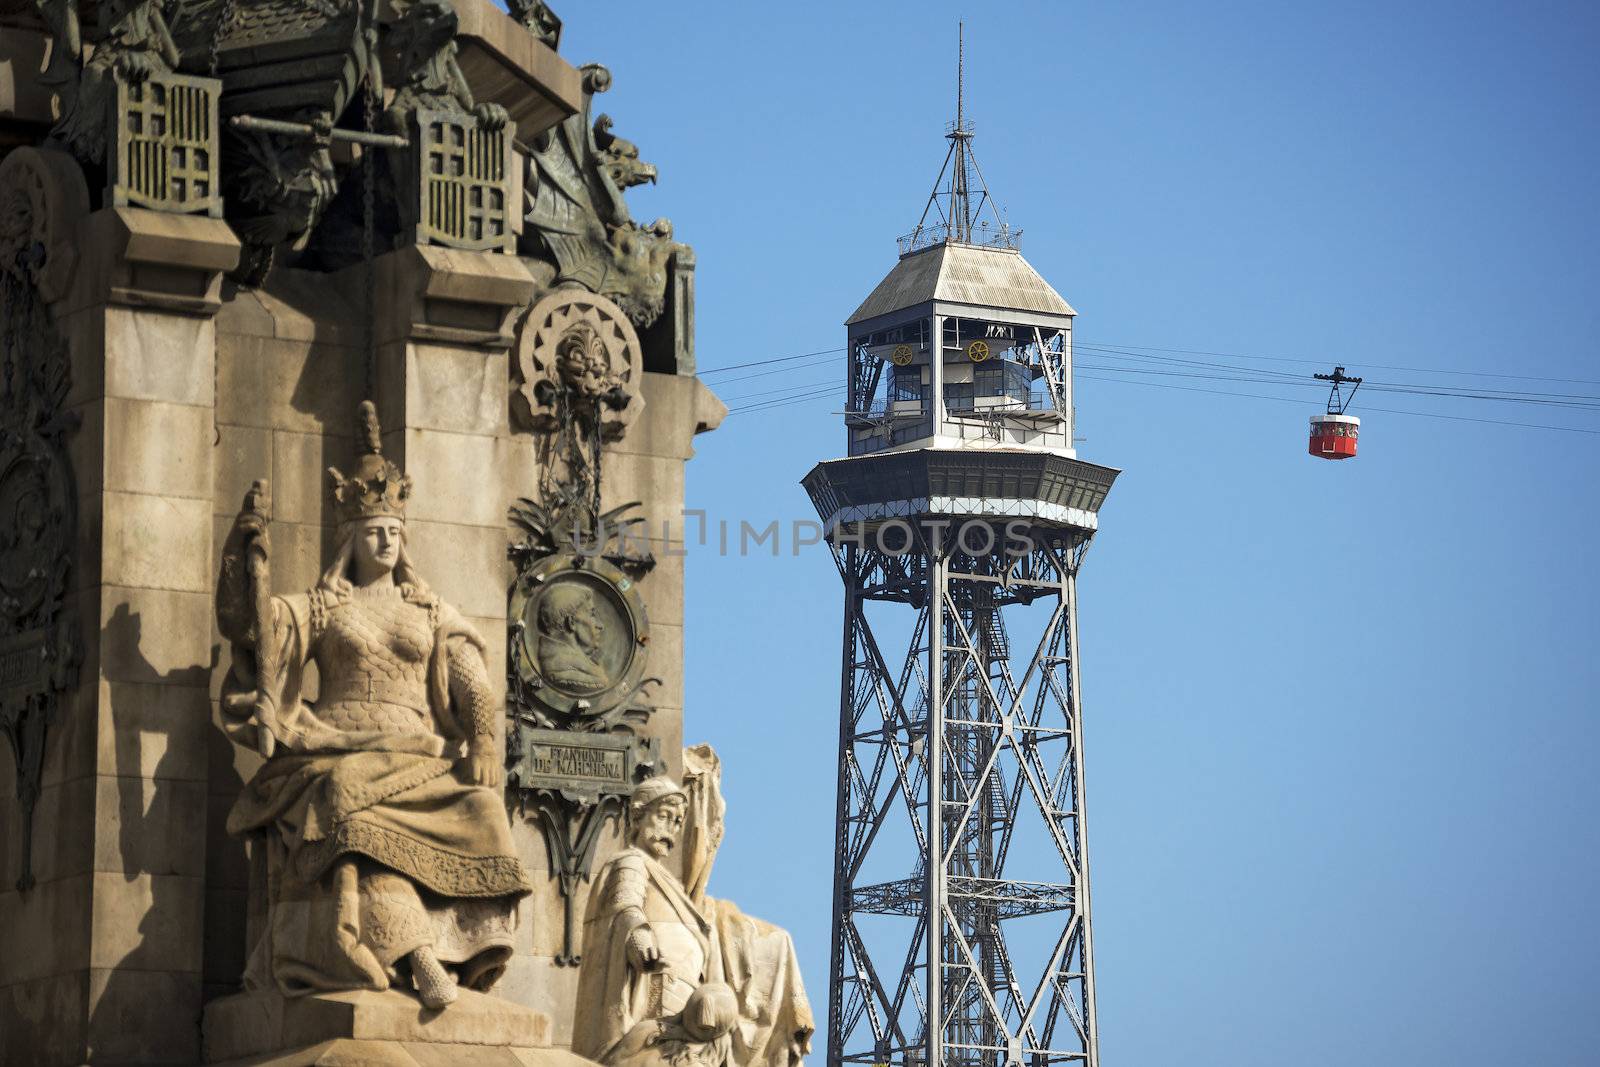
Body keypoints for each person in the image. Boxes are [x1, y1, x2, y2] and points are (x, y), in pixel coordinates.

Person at [215, 401, 535, 1010]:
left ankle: (462, 955)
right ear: (350, 537)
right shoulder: (321, 607)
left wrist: (487, 738)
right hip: (337, 747)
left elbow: (472, 679)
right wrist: (243, 553)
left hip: (421, 752)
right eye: (373, 531)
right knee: (352, 813)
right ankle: (412, 955)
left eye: (394, 531)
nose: (386, 540)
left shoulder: (432, 611)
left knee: (484, 806)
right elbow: (252, 632)